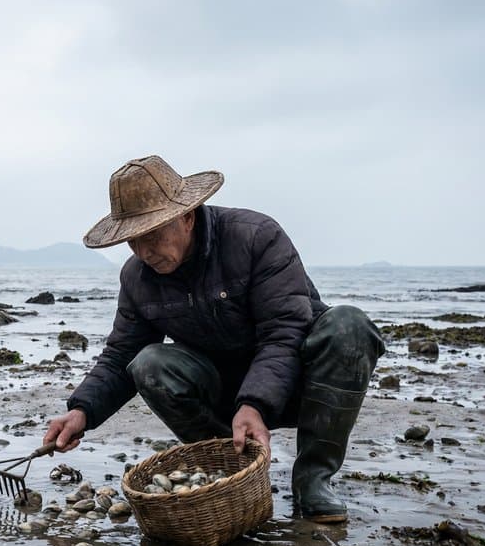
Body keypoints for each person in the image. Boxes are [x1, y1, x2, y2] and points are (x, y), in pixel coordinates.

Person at [43, 155, 385, 523]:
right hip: (222, 393)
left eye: (152, 235)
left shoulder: (255, 237)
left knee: (350, 326)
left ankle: (312, 481)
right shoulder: (137, 277)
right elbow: (121, 355)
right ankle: (234, 471)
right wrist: (82, 411)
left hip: (299, 383)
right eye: (132, 241)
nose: (144, 252)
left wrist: (254, 404)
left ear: (187, 217)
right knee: (149, 364)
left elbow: (284, 331)